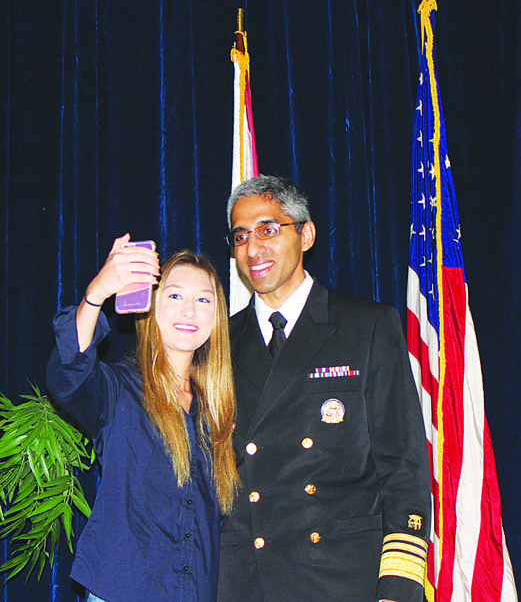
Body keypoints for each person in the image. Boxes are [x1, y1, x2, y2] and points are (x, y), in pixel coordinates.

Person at [217, 176, 431, 602]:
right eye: (241, 236)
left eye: (268, 229)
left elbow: (402, 464)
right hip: (248, 581)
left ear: (307, 234)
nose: (253, 248)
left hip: (342, 579)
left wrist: (397, 586)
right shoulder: (219, 340)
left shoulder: (366, 326)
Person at [46, 234, 239, 602]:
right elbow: (70, 373)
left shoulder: (218, 410)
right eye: (175, 295)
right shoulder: (119, 390)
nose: (189, 311)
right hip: (121, 589)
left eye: (203, 300)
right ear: (152, 305)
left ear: (217, 317)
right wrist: (97, 293)